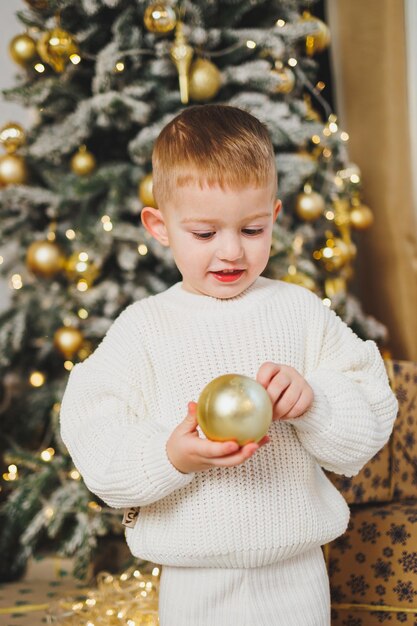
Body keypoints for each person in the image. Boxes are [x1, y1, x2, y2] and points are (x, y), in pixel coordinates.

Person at [60, 104, 398, 625]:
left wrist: (315, 400)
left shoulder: (298, 311)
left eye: (252, 229)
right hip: (195, 583)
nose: (231, 252)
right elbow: (96, 439)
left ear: (276, 218)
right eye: (204, 233)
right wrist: (171, 454)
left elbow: (373, 410)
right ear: (160, 226)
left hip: (296, 574)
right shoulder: (144, 327)